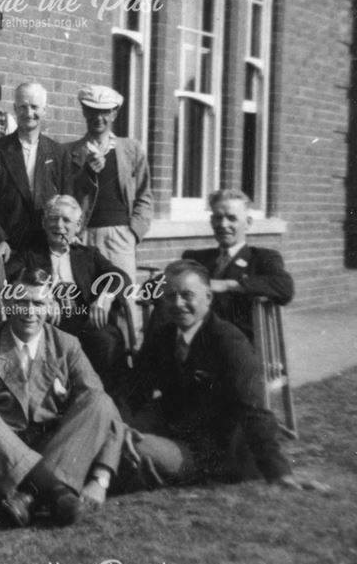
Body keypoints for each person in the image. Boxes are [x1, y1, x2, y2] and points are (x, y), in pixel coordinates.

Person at [121, 260, 323, 492]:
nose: (178, 304)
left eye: (187, 295)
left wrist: (278, 472)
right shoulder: (162, 336)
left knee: (137, 449)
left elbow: (254, 409)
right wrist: (122, 425)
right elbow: (135, 389)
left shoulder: (228, 341)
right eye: (170, 296)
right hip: (175, 428)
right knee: (115, 434)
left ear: (208, 297)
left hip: (214, 452)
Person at [0, 268, 124, 527]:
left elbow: (101, 406)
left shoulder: (67, 344)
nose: (30, 311)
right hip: (3, 450)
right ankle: (55, 491)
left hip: (55, 443)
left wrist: (100, 479)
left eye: (38, 303)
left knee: (99, 399)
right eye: (22, 302)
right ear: (8, 302)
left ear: (51, 305)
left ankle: (29, 495)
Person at [14, 195, 130, 390]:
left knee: (107, 341)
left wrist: (106, 296)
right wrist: (42, 296)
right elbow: (8, 278)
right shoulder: (30, 255)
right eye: (53, 218)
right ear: (44, 223)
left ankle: (105, 402)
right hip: (48, 324)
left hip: (85, 321)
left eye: (66, 220)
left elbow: (120, 277)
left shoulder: (88, 255)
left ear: (78, 225)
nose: (59, 225)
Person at [182, 189, 294, 343]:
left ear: (248, 223)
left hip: (239, 347)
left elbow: (285, 288)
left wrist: (227, 285)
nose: (223, 224)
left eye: (232, 218)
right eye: (218, 217)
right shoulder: (196, 258)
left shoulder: (262, 258)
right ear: (211, 221)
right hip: (196, 344)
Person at [65, 85, 152, 283]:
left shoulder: (132, 149)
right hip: (82, 236)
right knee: (83, 300)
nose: (99, 118)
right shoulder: (69, 152)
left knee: (122, 301)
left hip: (120, 237)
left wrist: (134, 233)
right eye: (93, 111)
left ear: (114, 113)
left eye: (104, 112)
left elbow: (144, 196)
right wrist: (85, 171)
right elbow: (66, 196)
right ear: (85, 112)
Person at [0, 82, 69, 256]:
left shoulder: (59, 153)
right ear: (15, 108)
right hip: (9, 247)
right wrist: (0, 239)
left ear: (45, 110)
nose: (29, 113)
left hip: (46, 246)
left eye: (34, 107)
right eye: (23, 107)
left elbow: (67, 201)